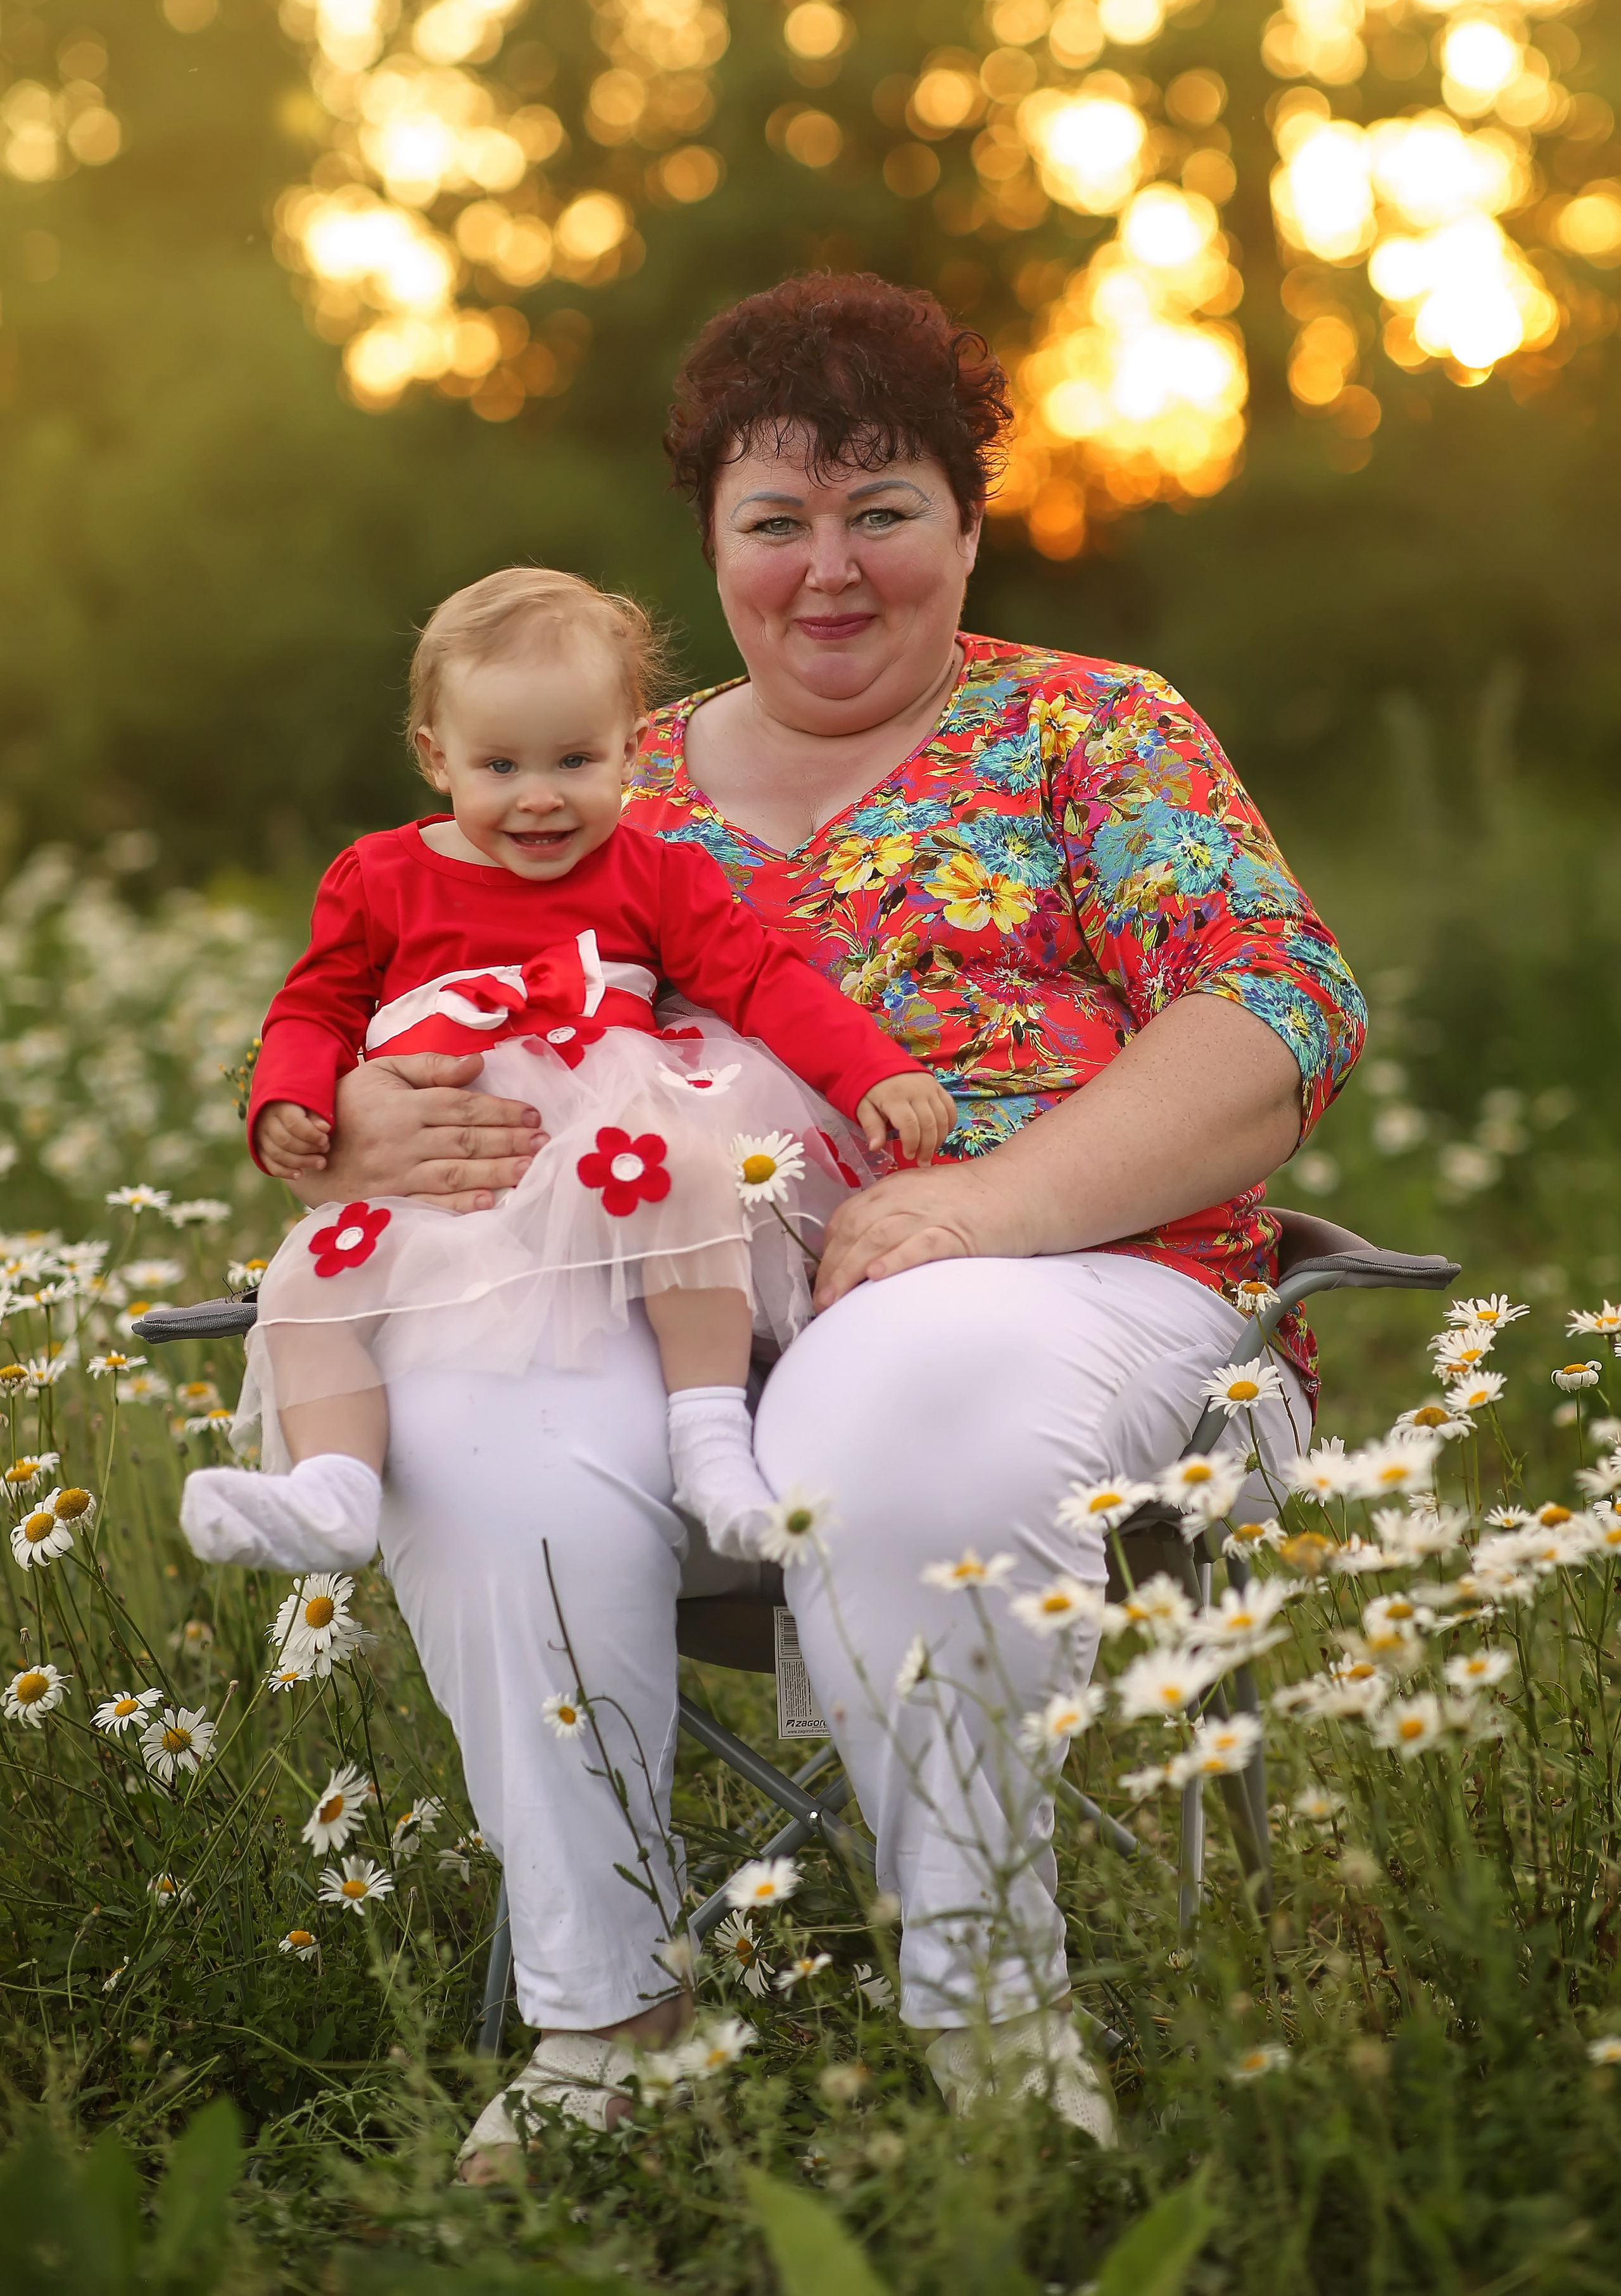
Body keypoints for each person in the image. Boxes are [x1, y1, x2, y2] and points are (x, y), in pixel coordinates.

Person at [265, 272, 1366, 2167]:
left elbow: (1278, 1017)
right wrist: (364, 1108)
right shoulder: (609, 776)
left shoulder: (1089, 735)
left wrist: (984, 1205)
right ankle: (608, 2022)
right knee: (471, 1437)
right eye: (777, 521)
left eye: (884, 509)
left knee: (896, 1387)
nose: (830, 568)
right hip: (652, 1291)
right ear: (712, 547)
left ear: (966, 522)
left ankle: (989, 2036)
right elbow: (382, 990)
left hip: (1063, 1278)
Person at [180, 567, 952, 1579]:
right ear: (434, 756)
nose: (540, 799)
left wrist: (870, 1073)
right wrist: (290, 1095)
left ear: (632, 745)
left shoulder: (656, 872)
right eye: (499, 765)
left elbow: (761, 982)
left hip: (607, 1143)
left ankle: (710, 1436)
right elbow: (315, 1005)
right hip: (449, 1170)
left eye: (576, 760)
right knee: (308, 1291)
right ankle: (334, 1487)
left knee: (687, 1174)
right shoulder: (380, 878)